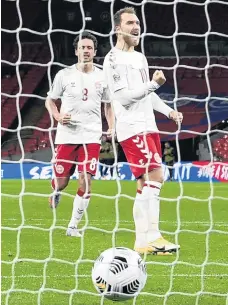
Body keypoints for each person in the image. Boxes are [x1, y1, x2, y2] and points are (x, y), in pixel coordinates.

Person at [103, 7, 183, 255]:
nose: (136, 26)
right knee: (157, 176)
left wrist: (168, 110)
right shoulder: (112, 59)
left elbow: (148, 96)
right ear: (118, 28)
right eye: (129, 23)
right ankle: (154, 236)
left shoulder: (140, 58)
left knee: (144, 184)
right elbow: (124, 99)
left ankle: (141, 242)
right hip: (131, 127)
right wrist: (152, 85)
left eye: (137, 22)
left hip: (149, 126)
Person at [45, 31, 114, 237]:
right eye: (82, 47)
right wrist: (57, 115)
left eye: (89, 47)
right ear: (76, 51)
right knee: (62, 182)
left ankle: (72, 227)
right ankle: (56, 191)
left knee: (86, 178)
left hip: (91, 136)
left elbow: (108, 105)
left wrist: (111, 126)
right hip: (66, 135)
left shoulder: (103, 76)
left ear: (94, 51)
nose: (86, 50)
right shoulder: (64, 75)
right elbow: (50, 100)